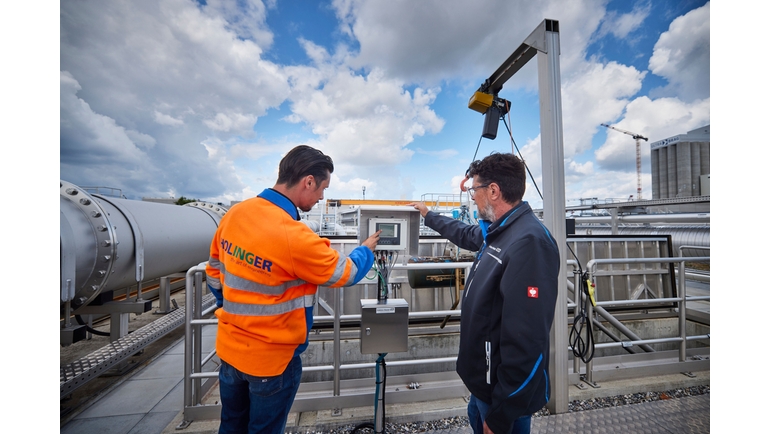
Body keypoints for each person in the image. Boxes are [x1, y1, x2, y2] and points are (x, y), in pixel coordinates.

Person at [205, 145, 381, 434]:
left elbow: (213, 271)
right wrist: (365, 250)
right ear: (308, 181)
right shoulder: (292, 234)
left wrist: (234, 309)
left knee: (232, 426)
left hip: (229, 350)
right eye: (322, 188)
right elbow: (344, 272)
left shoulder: (236, 214)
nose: (322, 196)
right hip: (272, 362)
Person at [409, 152, 560, 434]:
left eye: (474, 190)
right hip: (483, 387)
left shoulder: (529, 243)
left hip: (501, 400)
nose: (472, 197)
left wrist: (502, 414)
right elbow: (466, 234)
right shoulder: (501, 232)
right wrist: (429, 216)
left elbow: (526, 341)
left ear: (493, 191)